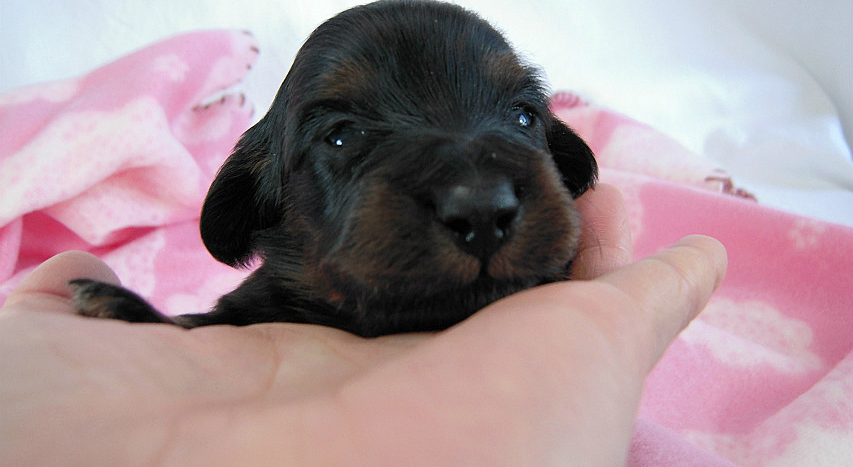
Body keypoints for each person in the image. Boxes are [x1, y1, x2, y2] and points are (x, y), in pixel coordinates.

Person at [0, 184, 725, 466]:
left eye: (518, 117)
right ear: (263, 202)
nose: (476, 196)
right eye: (343, 138)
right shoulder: (247, 336)